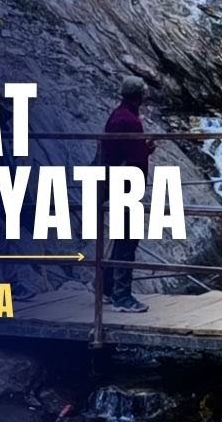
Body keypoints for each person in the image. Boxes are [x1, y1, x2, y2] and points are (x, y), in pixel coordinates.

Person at [98, 75, 156, 313]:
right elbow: (133, 157)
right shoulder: (129, 120)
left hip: (115, 181)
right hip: (124, 184)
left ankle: (108, 287)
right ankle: (121, 296)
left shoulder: (118, 114)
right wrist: (147, 149)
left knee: (122, 237)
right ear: (140, 96)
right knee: (127, 240)